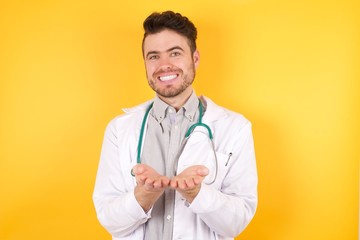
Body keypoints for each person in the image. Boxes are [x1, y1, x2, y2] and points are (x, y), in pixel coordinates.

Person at [93, 10, 258, 240]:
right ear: (145, 63)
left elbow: (236, 224)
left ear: (195, 59)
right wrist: (144, 195)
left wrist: (197, 193)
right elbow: (109, 220)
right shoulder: (119, 130)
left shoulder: (235, 128)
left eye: (175, 53)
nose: (164, 65)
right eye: (154, 56)